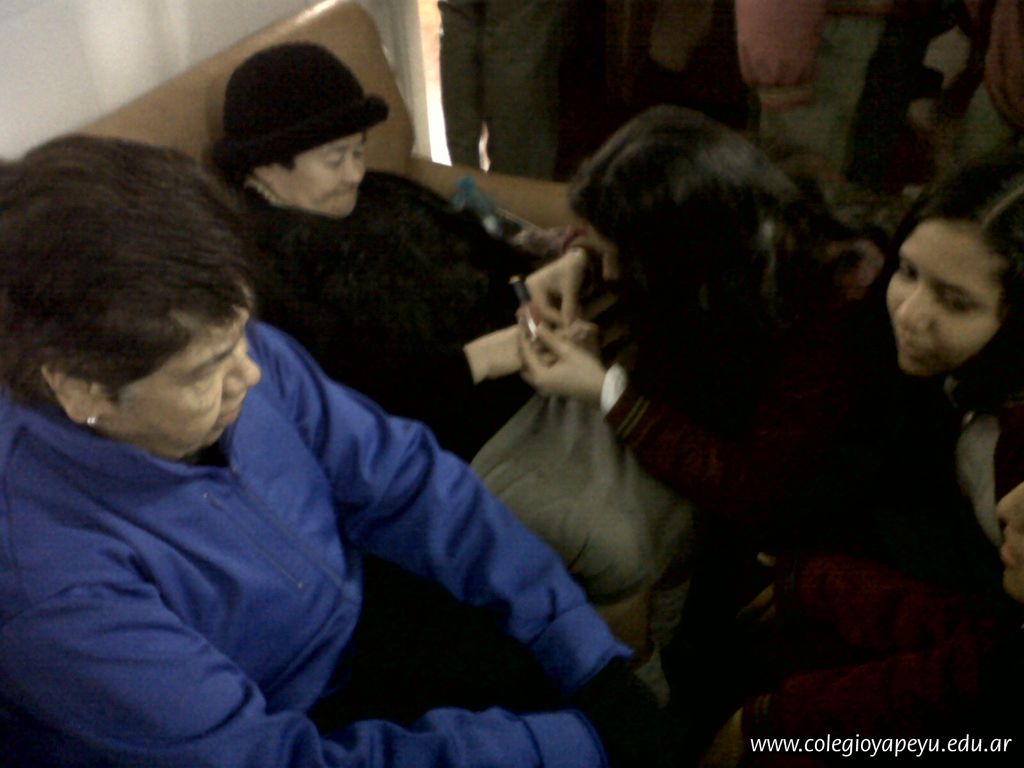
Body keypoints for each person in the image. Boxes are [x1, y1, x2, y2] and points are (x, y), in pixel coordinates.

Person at [0, 135, 683, 768]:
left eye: (243, 335)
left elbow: (405, 481)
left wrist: (579, 649)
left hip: (355, 617)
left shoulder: (210, 334)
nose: (252, 373)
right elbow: (269, 759)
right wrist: (563, 746)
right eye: (206, 371)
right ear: (80, 388)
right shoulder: (49, 584)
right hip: (267, 725)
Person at [510, 106, 894, 687]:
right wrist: (577, 256)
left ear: (683, 258)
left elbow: (757, 489)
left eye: (620, 255)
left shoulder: (824, 307)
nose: (611, 272)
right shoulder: (731, 208)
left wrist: (608, 392)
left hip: (812, 521)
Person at [697, 150, 1024, 765]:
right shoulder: (956, 378)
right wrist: (819, 581)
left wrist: (781, 724)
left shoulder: (1014, 448)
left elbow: (994, 674)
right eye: (908, 271)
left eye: (956, 302)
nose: (909, 311)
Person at [212, 42, 537, 460]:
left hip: (538, 376)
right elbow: (343, 401)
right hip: (465, 449)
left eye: (359, 150)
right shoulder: (262, 268)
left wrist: (533, 284)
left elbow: (486, 253)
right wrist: (478, 361)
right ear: (266, 164)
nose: (355, 174)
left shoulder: (379, 191)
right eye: (335, 160)